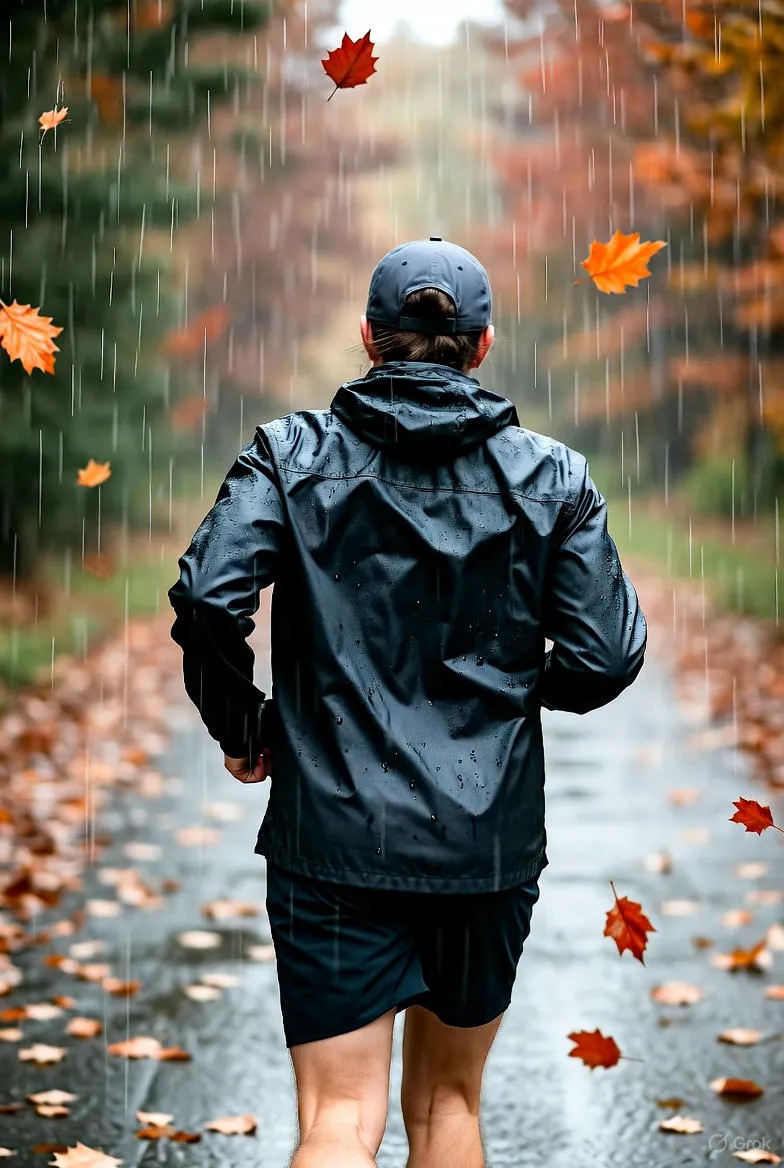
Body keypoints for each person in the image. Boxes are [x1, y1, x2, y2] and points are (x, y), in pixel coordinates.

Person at [168, 237, 647, 1168]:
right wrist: (510, 700)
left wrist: (245, 724)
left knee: (339, 1119)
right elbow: (608, 653)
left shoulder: (290, 455)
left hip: (332, 834)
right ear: (484, 345)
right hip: (485, 843)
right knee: (450, 1109)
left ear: (367, 336)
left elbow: (209, 599)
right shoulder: (553, 477)